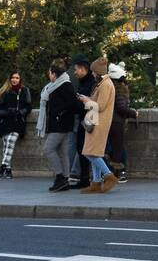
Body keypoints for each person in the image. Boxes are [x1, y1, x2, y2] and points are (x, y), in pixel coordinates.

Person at [37, 59, 88, 192]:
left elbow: (73, 104)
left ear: (54, 74)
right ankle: (64, 179)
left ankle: (60, 176)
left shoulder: (64, 85)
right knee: (62, 152)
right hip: (61, 123)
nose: (49, 75)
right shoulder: (57, 85)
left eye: (49, 73)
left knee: (49, 149)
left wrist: (60, 112)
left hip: (61, 123)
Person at [80, 55, 118, 193]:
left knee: (89, 153)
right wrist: (87, 99)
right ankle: (96, 182)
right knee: (94, 152)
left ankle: (108, 175)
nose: (92, 73)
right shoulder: (104, 83)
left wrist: (86, 101)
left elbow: (100, 106)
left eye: (93, 71)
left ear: (98, 71)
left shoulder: (106, 85)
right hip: (97, 121)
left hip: (99, 123)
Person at [0, 71, 32, 178]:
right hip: (5, 121)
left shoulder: (25, 91)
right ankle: (9, 171)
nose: (14, 80)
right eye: (13, 77)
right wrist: (7, 112)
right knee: (6, 146)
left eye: (17, 78)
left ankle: (3, 167)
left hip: (18, 122)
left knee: (11, 141)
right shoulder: (4, 91)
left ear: (20, 79)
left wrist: (21, 112)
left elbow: (28, 107)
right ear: (10, 78)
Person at [106, 63, 137, 183]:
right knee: (117, 149)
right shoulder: (120, 89)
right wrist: (133, 113)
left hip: (109, 121)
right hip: (117, 122)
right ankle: (118, 173)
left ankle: (111, 172)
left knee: (110, 149)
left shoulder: (108, 87)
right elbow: (121, 107)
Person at [70, 55, 95, 189]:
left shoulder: (91, 83)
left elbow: (92, 103)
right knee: (82, 150)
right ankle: (85, 178)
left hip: (88, 121)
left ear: (83, 69)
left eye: (76, 70)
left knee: (88, 151)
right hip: (83, 120)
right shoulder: (85, 82)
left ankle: (91, 178)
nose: (75, 72)